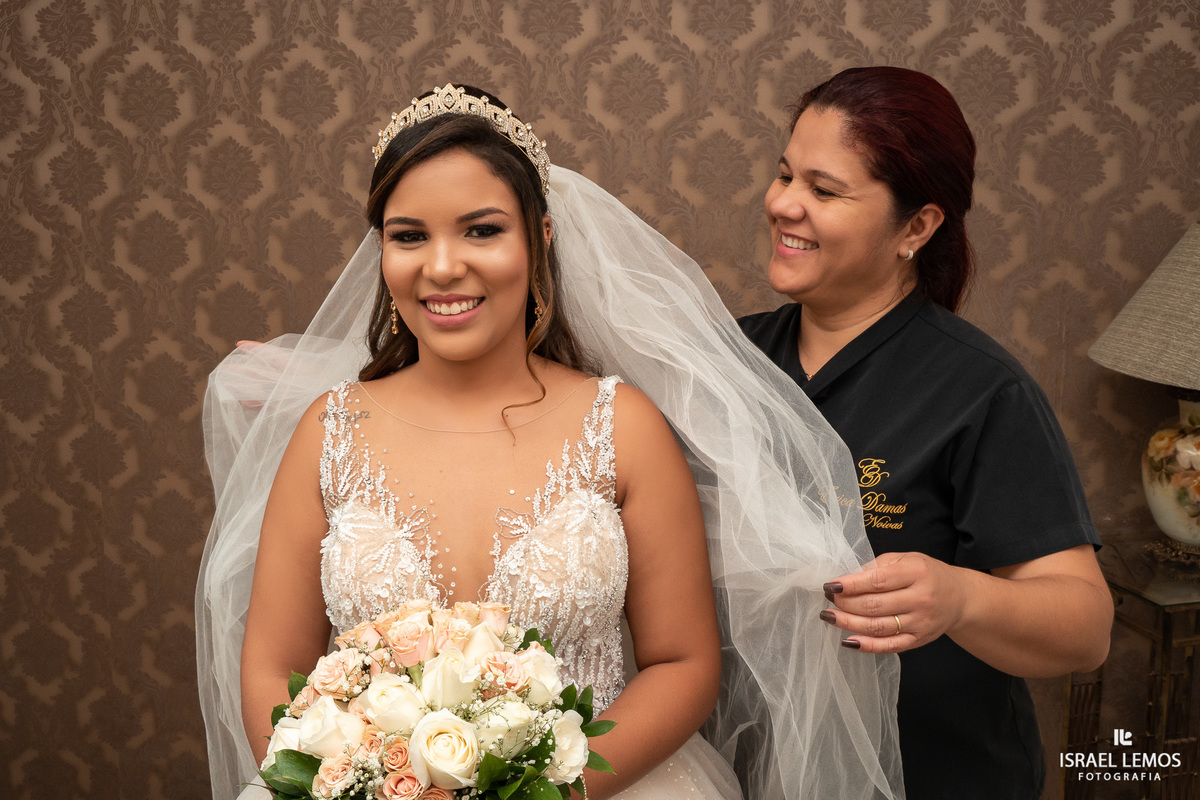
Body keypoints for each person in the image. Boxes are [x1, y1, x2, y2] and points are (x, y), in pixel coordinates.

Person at [196, 84, 905, 800]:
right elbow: (270, 666)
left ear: (540, 235)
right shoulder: (331, 429)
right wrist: (343, 785)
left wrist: (548, 792)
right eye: (409, 235)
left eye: (481, 230)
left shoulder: (621, 427)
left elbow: (682, 663)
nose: (441, 267)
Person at [738, 66, 1114, 798]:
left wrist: (962, 599)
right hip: (759, 766)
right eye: (785, 175)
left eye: (824, 189)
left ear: (917, 226)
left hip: (935, 774)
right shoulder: (728, 358)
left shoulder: (980, 390)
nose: (783, 204)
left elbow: (1086, 626)